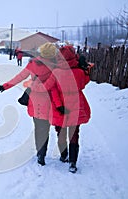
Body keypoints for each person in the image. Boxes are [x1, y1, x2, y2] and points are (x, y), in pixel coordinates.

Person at [31, 45, 92, 173]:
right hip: (77, 105)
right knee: (74, 134)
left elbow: (50, 88)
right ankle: (73, 163)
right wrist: (85, 70)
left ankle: (64, 155)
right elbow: (84, 82)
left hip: (61, 107)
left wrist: (34, 86)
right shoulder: (79, 72)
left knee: (61, 132)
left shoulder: (56, 72)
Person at [0, 42, 58, 166]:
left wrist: (5, 86)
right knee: (45, 129)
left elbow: (19, 77)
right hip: (49, 100)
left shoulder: (32, 64)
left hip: (35, 101)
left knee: (38, 128)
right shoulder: (56, 67)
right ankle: (43, 153)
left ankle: (39, 153)